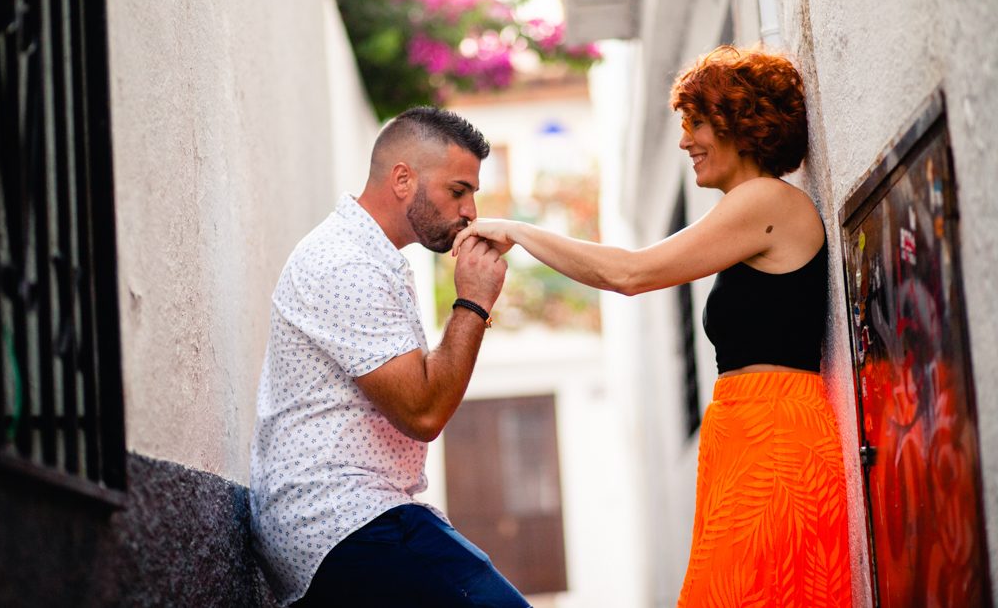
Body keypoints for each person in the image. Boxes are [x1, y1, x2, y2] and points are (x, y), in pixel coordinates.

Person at [452, 46, 852, 607]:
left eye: (698, 123)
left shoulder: (766, 200)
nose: (686, 140)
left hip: (775, 436)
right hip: (746, 432)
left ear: (740, 122)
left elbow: (630, 272)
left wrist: (518, 231)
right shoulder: (755, 209)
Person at [249, 106, 529, 607]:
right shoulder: (343, 263)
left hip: (355, 517)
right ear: (403, 179)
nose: (470, 212)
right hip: (337, 519)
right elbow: (423, 411)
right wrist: (473, 302)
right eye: (458, 190)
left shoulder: (372, 258)